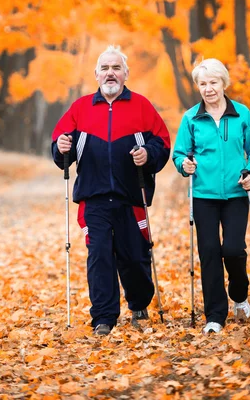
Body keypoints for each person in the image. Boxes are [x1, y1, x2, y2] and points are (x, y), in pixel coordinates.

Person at [51, 45, 170, 336]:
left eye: (116, 68)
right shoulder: (80, 108)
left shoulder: (141, 106)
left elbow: (162, 142)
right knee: (99, 255)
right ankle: (103, 317)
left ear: (126, 74)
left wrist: (148, 155)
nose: (110, 73)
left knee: (134, 256)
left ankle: (139, 301)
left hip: (131, 196)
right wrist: (61, 148)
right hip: (94, 198)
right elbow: (60, 144)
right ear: (96, 75)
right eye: (105, 68)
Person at [172, 58, 250, 334]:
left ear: (224, 83)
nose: (208, 88)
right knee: (210, 252)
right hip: (203, 195)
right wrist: (183, 164)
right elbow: (179, 154)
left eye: (213, 82)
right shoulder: (191, 118)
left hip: (237, 192)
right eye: (203, 84)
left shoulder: (241, 114)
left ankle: (239, 294)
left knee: (234, 250)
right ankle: (215, 315)